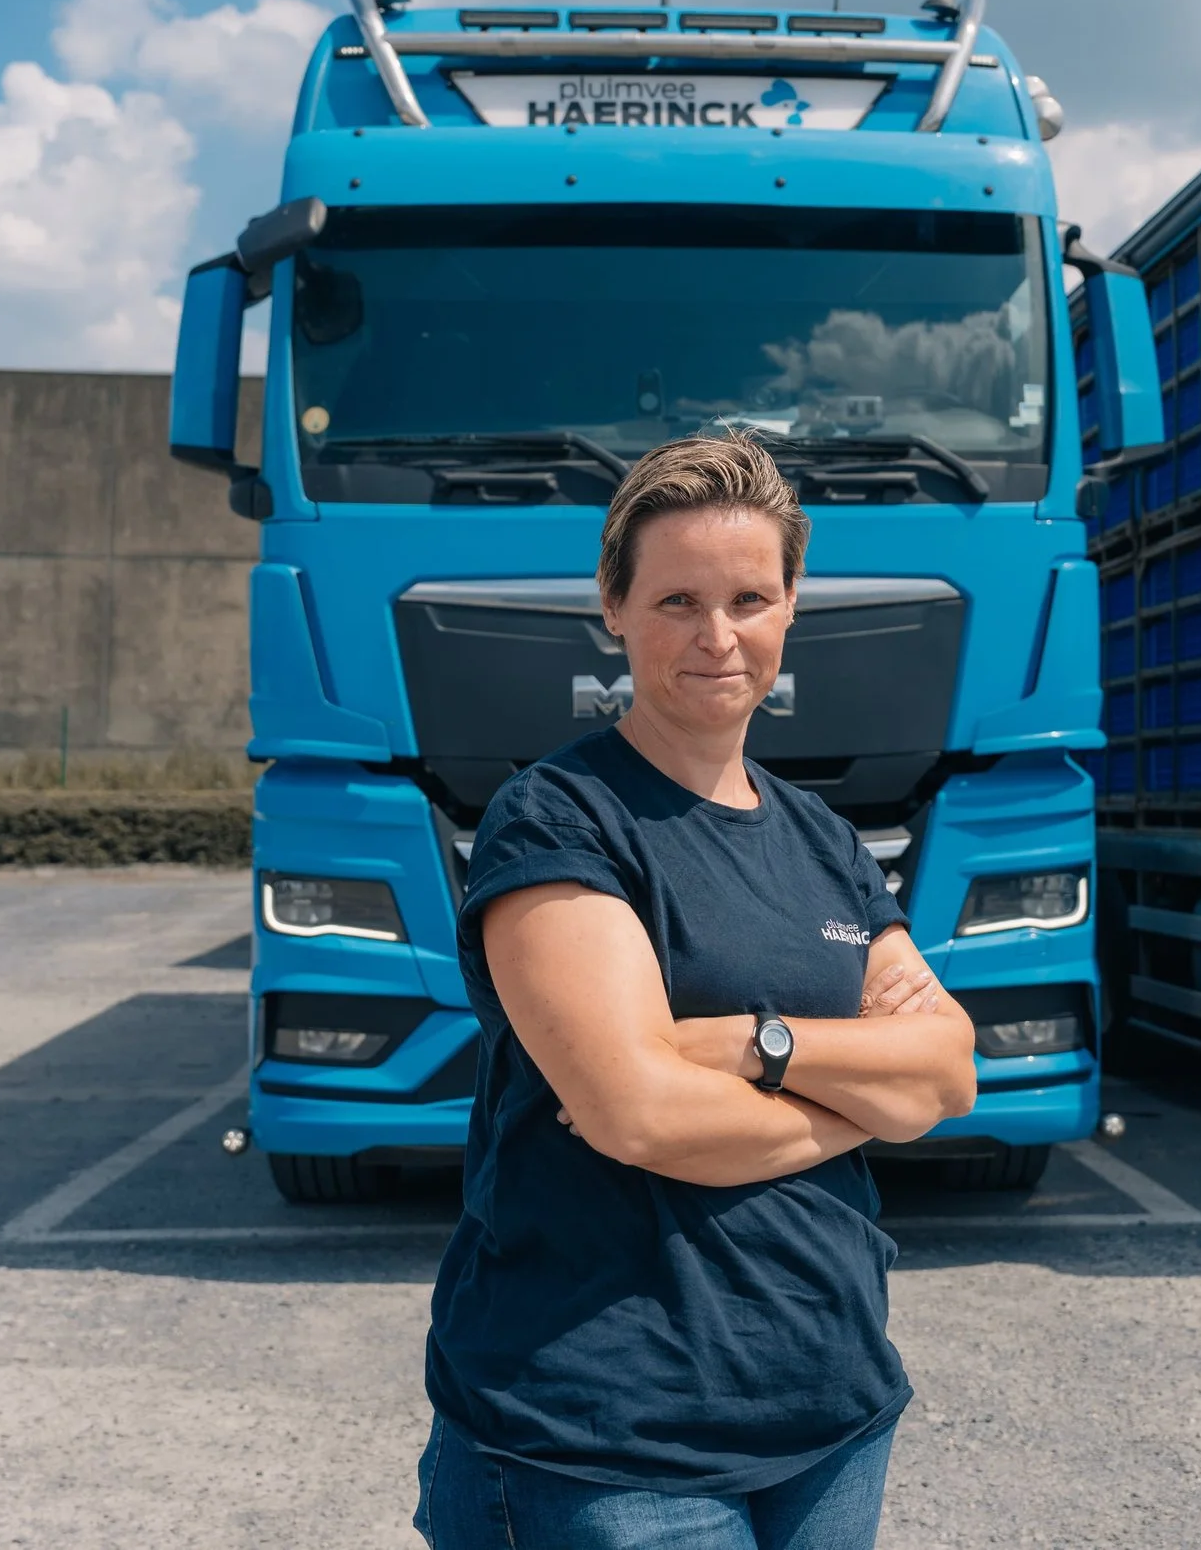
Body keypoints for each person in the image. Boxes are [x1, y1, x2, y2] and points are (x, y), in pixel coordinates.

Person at [416, 430, 980, 1549]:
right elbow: (636, 1113)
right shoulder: (560, 817)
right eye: (677, 599)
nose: (717, 636)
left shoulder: (821, 836)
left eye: (748, 597)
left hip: (831, 1409)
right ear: (613, 607)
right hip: (605, 1437)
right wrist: (857, 1092)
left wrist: (753, 1046)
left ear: (789, 608)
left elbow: (948, 1071)